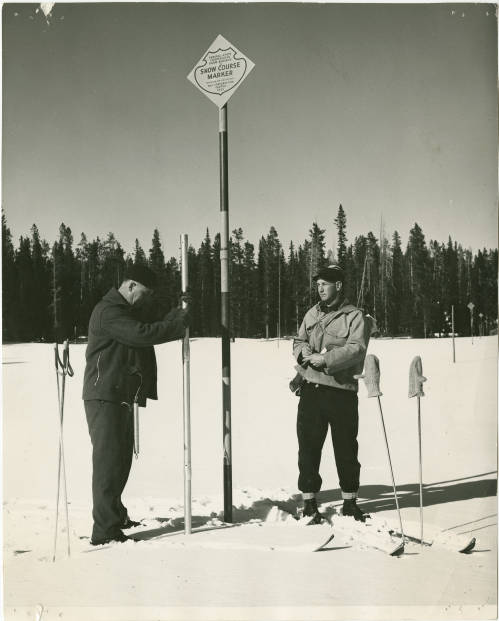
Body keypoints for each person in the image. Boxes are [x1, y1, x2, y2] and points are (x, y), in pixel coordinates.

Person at [82, 264, 189, 545]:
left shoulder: (123, 311)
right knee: (108, 462)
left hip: (118, 396)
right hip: (104, 396)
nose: (147, 298)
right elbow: (142, 333)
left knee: (120, 460)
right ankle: (104, 530)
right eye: (145, 292)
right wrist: (179, 322)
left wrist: (178, 310)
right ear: (130, 285)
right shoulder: (109, 312)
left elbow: (148, 322)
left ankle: (115, 515)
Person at [292, 264, 371, 523]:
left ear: (338, 285)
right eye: (317, 285)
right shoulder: (312, 313)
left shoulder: (354, 316)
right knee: (309, 449)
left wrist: (325, 360)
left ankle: (350, 502)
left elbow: (356, 348)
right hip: (312, 391)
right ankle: (309, 503)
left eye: (325, 284)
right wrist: (303, 353)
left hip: (341, 393)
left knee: (346, 449)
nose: (320, 289)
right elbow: (298, 340)